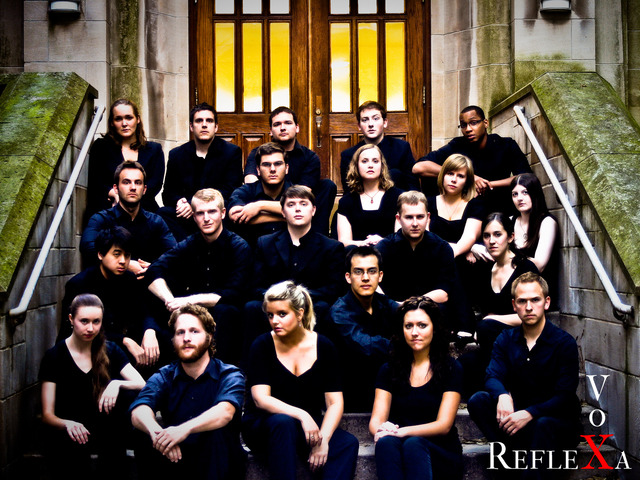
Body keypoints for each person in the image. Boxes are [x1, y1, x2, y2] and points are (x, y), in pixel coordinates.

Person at [468, 273, 580, 480]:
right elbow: (492, 375)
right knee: (479, 401)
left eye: (535, 300)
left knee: (543, 424)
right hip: (518, 423)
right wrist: (503, 395)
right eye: (522, 301)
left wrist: (530, 413)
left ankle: (522, 469)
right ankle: (512, 455)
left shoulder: (564, 343)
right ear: (514, 305)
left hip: (555, 424)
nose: (529, 307)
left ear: (547, 302)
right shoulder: (505, 339)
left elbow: (564, 396)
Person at [242, 281, 359, 480]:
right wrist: (302, 415)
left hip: (305, 430)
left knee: (347, 443)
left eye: (282, 314)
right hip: (264, 427)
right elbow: (261, 399)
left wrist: (324, 440)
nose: (274, 321)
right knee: (283, 422)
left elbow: (335, 403)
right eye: (270, 315)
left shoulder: (324, 346)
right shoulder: (262, 345)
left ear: (299, 314)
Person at [131, 304, 246, 479]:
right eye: (180, 332)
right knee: (143, 432)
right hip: (177, 458)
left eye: (194, 331)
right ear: (173, 339)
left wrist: (183, 429)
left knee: (215, 432)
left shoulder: (229, 374)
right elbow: (139, 411)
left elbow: (225, 412)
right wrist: (158, 435)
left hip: (218, 462)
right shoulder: (165, 375)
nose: (186, 338)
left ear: (209, 337)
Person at [40, 294, 145, 480]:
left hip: (106, 429)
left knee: (120, 424)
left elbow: (142, 384)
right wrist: (67, 424)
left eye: (96, 322)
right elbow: (47, 415)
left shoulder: (110, 350)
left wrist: (116, 383)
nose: (90, 328)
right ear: (71, 319)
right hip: (72, 431)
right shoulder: (54, 356)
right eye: (84, 321)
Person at [146, 188, 251, 365]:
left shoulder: (239, 246)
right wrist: (170, 300)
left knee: (226, 311)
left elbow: (233, 294)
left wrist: (188, 301)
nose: (206, 218)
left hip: (223, 317)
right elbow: (154, 270)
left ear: (223, 213)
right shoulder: (190, 243)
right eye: (200, 213)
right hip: (190, 313)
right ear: (194, 217)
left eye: (212, 212)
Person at [369, 297, 463, 480]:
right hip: (400, 445)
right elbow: (376, 421)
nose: (414, 332)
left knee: (413, 444)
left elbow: (444, 425)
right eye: (408, 326)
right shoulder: (389, 369)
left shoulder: (451, 368)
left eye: (422, 325)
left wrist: (402, 431)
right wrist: (382, 429)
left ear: (434, 328)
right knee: (385, 443)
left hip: (440, 452)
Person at [244, 185, 345, 350]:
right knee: (252, 307)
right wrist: (280, 300)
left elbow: (334, 289)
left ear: (313, 210)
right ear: (283, 212)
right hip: (274, 305)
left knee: (324, 308)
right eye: (291, 205)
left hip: (311, 304)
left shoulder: (331, 247)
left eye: (303, 204)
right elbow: (255, 286)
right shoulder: (265, 243)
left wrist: (296, 299)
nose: (297, 209)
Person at [58, 227, 161, 369]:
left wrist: (149, 331)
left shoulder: (130, 280)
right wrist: (124, 340)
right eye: (117, 254)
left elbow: (145, 311)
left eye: (127, 255)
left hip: (124, 345)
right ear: (100, 254)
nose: (123, 261)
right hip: (89, 349)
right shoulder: (79, 284)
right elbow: (76, 330)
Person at [460, 213, 539, 396]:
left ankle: (507, 387)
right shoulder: (484, 269)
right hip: (494, 344)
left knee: (487, 327)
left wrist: (493, 320)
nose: (491, 241)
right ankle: (498, 385)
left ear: (510, 237)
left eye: (497, 234)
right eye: (486, 236)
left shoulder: (525, 268)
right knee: (462, 365)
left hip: (523, 339)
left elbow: (535, 314)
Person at [413, 105, 531, 214]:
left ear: (485, 123)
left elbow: (526, 177)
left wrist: (488, 185)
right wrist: (471, 178)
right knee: (431, 178)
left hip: (499, 205)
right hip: (466, 207)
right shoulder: (457, 145)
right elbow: (418, 167)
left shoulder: (505, 144)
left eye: (473, 123)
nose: (468, 129)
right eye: (463, 125)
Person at [243, 106, 337, 235]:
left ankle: (316, 239)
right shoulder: (258, 154)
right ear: (270, 131)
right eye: (277, 124)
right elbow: (250, 186)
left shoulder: (310, 157)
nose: (282, 128)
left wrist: (260, 206)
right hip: (269, 203)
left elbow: (300, 198)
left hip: (288, 208)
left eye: (287, 123)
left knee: (327, 186)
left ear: (297, 128)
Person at [329, 246, 397, 411]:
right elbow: (365, 345)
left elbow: (410, 319)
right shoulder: (339, 311)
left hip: (386, 387)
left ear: (380, 276)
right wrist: (403, 346)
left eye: (372, 271)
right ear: (348, 277)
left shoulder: (385, 303)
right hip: (352, 392)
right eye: (358, 272)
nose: (365, 278)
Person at [161, 103, 243, 240]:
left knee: (233, 213)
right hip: (187, 216)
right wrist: (180, 203)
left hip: (216, 213)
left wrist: (193, 204)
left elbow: (231, 189)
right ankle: (185, 248)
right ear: (191, 126)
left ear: (216, 127)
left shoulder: (231, 152)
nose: (204, 125)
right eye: (199, 121)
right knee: (163, 214)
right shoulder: (177, 154)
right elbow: (168, 193)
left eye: (209, 121)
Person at [81, 160, 176, 276]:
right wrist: (126, 264)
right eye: (126, 182)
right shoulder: (101, 219)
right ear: (116, 188)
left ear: (144, 189)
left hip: (146, 282)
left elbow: (174, 253)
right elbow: (88, 248)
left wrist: (154, 268)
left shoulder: (156, 222)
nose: (133, 187)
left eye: (138, 183)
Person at [375, 192, 456, 309]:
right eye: (409, 217)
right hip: (392, 310)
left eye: (420, 217)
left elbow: (443, 293)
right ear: (398, 219)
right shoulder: (384, 247)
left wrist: (408, 305)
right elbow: (373, 283)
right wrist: (393, 305)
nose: (415, 223)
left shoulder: (442, 248)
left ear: (428, 217)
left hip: (429, 310)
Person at [87, 98, 165, 218]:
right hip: (109, 206)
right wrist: (113, 193)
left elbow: (155, 184)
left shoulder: (154, 149)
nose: (124, 123)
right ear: (112, 122)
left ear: (137, 119)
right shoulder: (101, 146)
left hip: (144, 208)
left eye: (129, 118)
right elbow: (96, 182)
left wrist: (130, 199)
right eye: (118, 119)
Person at [340, 101, 418, 192]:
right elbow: (349, 191)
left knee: (394, 174)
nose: (370, 124)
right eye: (365, 120)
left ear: (385, 122)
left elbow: (413, 186)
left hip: (396, 199)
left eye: (375, 118)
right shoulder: (348, 155)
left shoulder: (401, 148)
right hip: (363, 199)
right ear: (359, 126)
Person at [336, 144, 402, 247]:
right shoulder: (346, 201)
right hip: (358, 254)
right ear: (356, 166)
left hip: (389, 252)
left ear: (382, 166)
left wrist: (384, 242)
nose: (370, 165)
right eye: (364, 161)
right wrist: (362, 243)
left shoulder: (398, 197)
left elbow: (402, 238)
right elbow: (344, 241)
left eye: (375, 161)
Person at [227, 142, 290, 246]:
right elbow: (235, 215)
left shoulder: (296, 191)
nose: (272, 169)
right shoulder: (245, 191)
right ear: (258, 170)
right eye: (266, 164)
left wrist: (260, 206)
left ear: (286, 168)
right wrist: (285, 217)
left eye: (278, 164)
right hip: (252, 252)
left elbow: (305, 211)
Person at [510, 173, 559, 303]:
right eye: (515, 194)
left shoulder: (547, 222)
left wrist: (505, 261)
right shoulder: (510, 221)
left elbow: (539, 265)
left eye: (525, 192)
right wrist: (475, 247)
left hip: (536, 292)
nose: (519, 198)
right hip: (512, 288)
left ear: (535, 193)